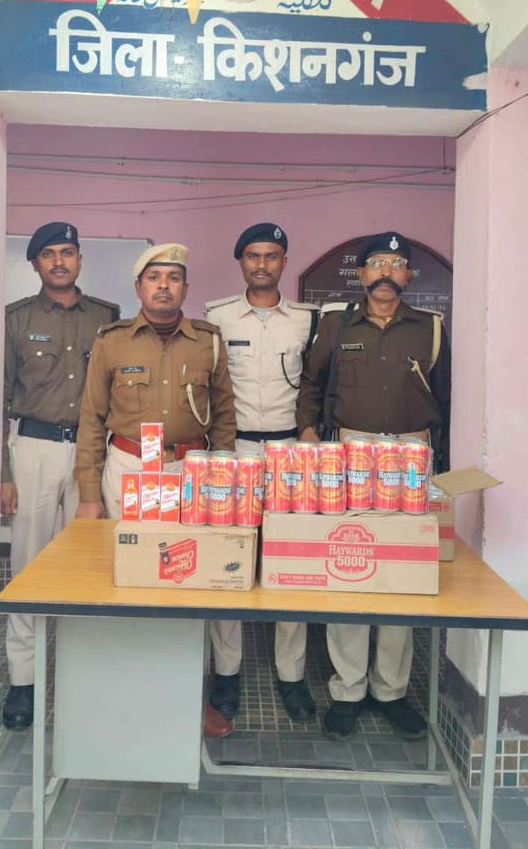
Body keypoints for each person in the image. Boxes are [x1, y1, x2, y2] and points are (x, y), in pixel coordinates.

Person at [296, 231, 451, 741]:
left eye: (396, 264)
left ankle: (391, 689)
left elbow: (447, 399)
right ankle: (348, 689)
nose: (386, 272)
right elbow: (311, 383)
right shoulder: (336, 324)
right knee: (350, 564)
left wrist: (443, 471)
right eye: (377, 263)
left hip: (411, 457)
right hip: (351, 454)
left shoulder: (430, 328)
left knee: (401, 572)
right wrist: (308, 434)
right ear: (361, 274)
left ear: (408, 275)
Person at [1, 222, 119, 730]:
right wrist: (4, 472)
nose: (58, 261)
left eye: (67, 252)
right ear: (35, 264)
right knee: (27, 565)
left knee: (90, 566)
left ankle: (80, 676)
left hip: (92, 453)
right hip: (34, 450)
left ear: (79, 259)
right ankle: (23, 681)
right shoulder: (16, 319)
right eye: (48, 254)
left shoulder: (107, 319)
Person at [205, 223, 319, 729]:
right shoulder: (217, 317)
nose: (262, 264)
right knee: (229, 559)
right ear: (241, 262)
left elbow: (314, 384)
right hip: (233, 450)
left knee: (290, 561)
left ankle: (291, 674)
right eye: (253, 255)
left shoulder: (307, 321)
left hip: (290, 450)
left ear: (284, 262)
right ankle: (226, 672)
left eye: (271, 256)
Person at [73, 242, 236, 520]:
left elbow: (224, 415)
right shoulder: (111, 341)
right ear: (138, 287)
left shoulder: (208, 342)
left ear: (185, 289)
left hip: (190, 470)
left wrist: (221, 477)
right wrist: (89, 495)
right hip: (128, 468)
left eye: (173, 278)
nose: (163, 285)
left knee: (185, 547)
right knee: (127, 547)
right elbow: (92, 419)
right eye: (153, 277)